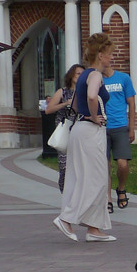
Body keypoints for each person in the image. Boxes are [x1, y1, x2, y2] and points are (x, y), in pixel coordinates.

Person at [53, 32, 116, 243]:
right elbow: (91, 96)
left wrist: (86, 114)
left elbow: (75, 104)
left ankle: (94, 228)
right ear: (100, 54)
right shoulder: (95, 75)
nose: (111, 58)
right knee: (96, 179)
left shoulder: (84, 75)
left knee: (82, 176)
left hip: (80, 129)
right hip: (90, 130)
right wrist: (94, 115)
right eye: (109, 54)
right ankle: (67, 218)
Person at [45, 63, 84, 193]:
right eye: (78, 73)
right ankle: (65, 190)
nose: (80, 76)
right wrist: (66, 103)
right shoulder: (62, 92)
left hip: (80, 131)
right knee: (64, 166)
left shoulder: (84, 92)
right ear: (71, 75)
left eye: (83, 74)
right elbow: (48, 110)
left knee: (79, 165)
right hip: (65, 132)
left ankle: (77, 194)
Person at [102, 63, 136, 212]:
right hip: (102, 127)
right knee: (105, 165)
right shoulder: (97, 80)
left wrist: (132, 127)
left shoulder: (123, 78)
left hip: (120, 126)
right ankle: (107, 198)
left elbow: (131, 103)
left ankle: (121, 188)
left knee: (122, 164)